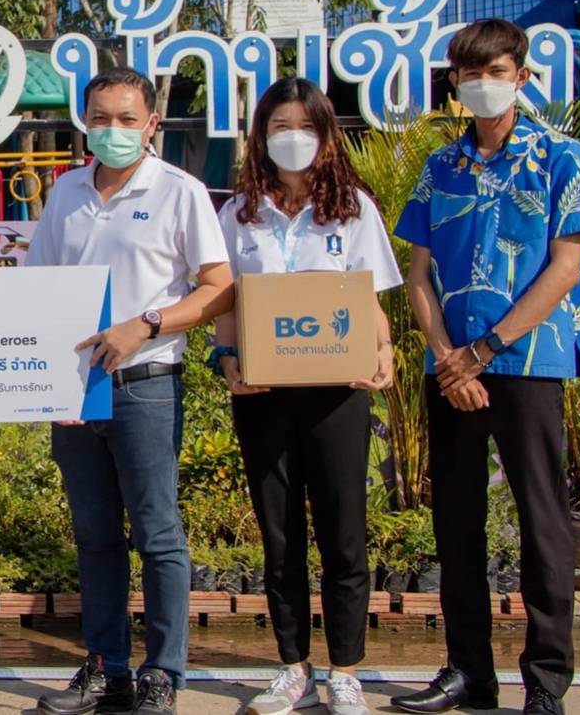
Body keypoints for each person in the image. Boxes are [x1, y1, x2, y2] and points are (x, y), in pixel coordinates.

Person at [393, 19, 580, 715]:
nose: (482, 83)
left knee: (543, 524)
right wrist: (448, 358)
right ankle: (467, 673)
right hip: (450, 366)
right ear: (453, 81)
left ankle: (545, 681)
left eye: (496, 71)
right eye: (469, 73)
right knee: (456, 523)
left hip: (528, 360)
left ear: (522, 76)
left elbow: (564, 268)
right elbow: (418, 272)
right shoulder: (439, 167)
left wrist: (483, 351)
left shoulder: (562, 158)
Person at [27, 67, 234, 715]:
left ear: (150, 125)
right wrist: (46, 383)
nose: (111, 130)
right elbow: (38, 290)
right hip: (75, 389)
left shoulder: (179, 191)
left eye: (125, 119)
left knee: (157, 533)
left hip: (147, 384)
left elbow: (218, 287)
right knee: (94, 535)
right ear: (84, 122)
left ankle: (162, 673)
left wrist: (145, 324)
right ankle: (105, 669)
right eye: (99, 118)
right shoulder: (65, 192)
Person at [211, 77, 401, 715]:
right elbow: (226, 302)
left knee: (344, 534)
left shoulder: (354, 210)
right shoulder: (238, 214)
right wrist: (229, 360)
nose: (292, 138)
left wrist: (383, 349)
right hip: (263, 394)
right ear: (261, 136)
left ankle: (345, 671)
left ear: (326, 135)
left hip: (337, 395)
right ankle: (293, 668)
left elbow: (368, 297)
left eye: (305, 127)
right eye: (280, 127)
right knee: (281, 537)